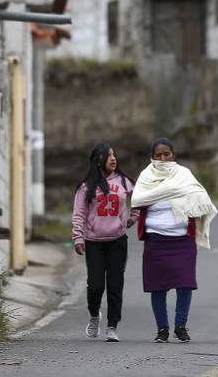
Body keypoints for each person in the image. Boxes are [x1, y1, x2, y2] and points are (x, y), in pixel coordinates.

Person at [131, 138, 217, 343]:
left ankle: (180, 326)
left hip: (182, 240)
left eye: (167, 154)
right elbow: (137, 200)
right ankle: (162, 329)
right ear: (152, 158)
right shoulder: (145, 177)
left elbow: (200, 196)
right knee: (157, 286)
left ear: (173, 155)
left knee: (185, 283)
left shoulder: (184, 175)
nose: (163, 158)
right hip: (155, 240)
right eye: (158, 155)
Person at [72, 142, 138, 343]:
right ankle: (94, 314)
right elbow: (79, 213)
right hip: (94, 243)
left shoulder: (125, 182)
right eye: (108, 155)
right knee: (95, 285)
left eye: (114, 155)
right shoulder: (86, 187)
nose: (113, 158)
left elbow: (141, 202)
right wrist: (78, 237)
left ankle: (112, 326)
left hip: (118, 241)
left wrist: (132, 218)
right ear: (97, 159)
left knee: (115, 285)